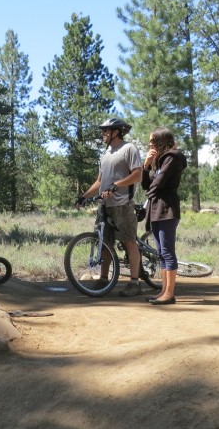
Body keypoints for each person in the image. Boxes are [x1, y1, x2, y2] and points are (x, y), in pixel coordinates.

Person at [76, 118, 145, 297]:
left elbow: (138, 174)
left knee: (129, 241)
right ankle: (104, 279)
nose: (103, 134)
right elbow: (99, 181)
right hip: (104, 206)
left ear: (117, 132)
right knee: (104, 243)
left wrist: (116, 185)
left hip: (122, 205)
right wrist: (84, 196)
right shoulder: (105, 153)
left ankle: (135, 283)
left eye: (107, 130)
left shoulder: (129, 149)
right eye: (103, 131)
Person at [141, 127, 186, 305]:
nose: (150, 144)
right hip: (157, 210)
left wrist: (145, 202)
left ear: (161, 141)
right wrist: (146, 165)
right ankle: (164, 291)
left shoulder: (172, 158)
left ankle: (170, 293)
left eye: (153, 141)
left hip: (168, 210)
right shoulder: (160, 162)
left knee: (167, 252)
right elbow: (147, 185)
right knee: (160, 253)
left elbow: (157, 184)